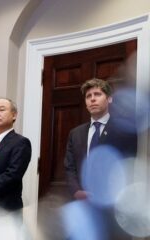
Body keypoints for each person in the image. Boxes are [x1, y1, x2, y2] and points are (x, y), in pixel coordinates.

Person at [64, 78, 137, 240]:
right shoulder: (75, 133)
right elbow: (69, 167)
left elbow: (130, 165)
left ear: (109, 99)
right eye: (88, 96)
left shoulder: (124, 130)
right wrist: (77, 191)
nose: (92, 99)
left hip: (114, 209)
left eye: (97, 94)